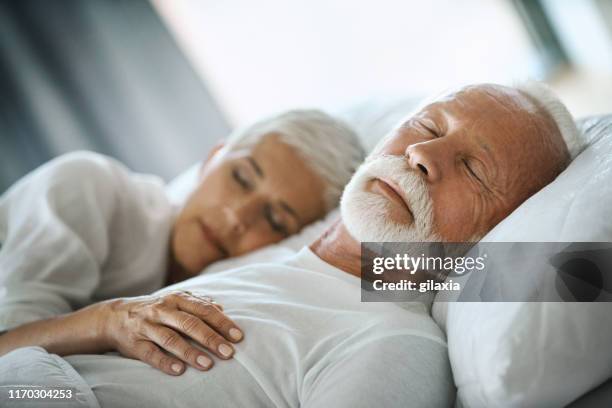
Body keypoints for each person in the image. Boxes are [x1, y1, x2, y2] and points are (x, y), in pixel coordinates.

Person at [0, 82, 581, 408]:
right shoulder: (261, 262)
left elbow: (581, 274)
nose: (423, 156)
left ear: (501, 228)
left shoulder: (391, 340)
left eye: (474, 171)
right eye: (427, 128)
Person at [0, 110, 364, 360]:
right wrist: (107, 321)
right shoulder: (89, 186)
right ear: (212, 158)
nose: (236, 215)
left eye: (274, 218)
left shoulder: (236, 290)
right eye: (240, 177)